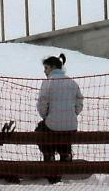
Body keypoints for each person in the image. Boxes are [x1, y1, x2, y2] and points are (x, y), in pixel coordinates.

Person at [37, 53, 83, 183]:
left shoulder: (48, 83)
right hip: (71, 126)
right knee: (64, 137)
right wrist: (74, 113)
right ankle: (66, 155)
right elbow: (80, 100)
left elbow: (42, 103)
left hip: (52, 126)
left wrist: (46, 116)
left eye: (46, 68)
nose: (44, 71)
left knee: (41, 131)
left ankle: (50, 157)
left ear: (52, 67)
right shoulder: (72, 82)